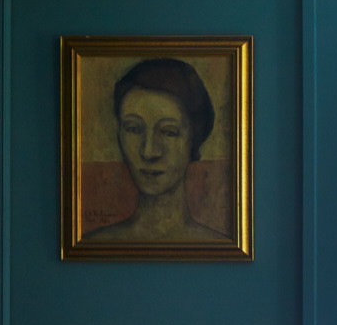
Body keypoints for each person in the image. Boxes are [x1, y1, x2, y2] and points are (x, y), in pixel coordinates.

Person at [82, 56, 229, 246]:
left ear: (194, 138)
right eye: (134, 129)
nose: (149, 151)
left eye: (169, 132)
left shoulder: (219, 246)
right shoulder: (93, 244)